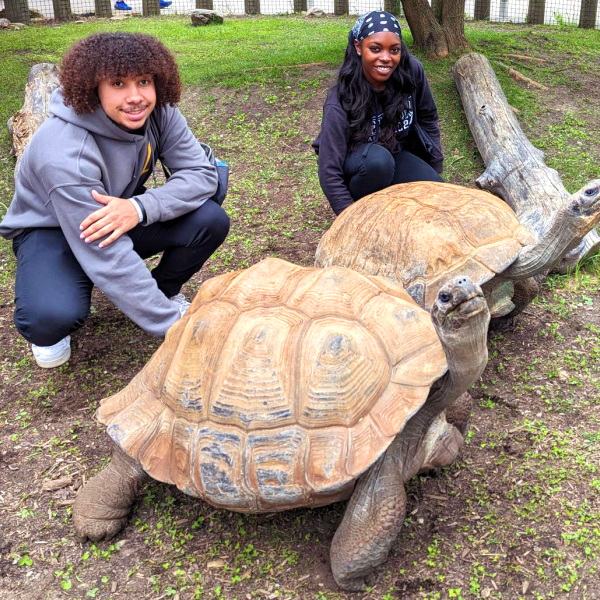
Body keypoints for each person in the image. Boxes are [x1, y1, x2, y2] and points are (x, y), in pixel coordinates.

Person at [0, 32, 229, 368]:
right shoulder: (64, 152)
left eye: (144, 81)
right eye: (118, 83)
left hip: (117, 212)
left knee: (208, 220)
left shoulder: (160, 113)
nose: (135, 97)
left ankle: (161, 290)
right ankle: (54, 303)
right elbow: (105, 251)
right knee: (49, 316)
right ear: (93, 88)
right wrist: (176, 329)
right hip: (51, 231)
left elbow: (201, 173)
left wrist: (139, 207)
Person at [312, 11, 444, 216]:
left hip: (396, 154)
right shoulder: (340, 99)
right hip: (360, 166)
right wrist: (349, 220)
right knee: (378, 162)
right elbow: (329, 171)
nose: (386, 58)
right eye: (375, 49)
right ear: (358, 47)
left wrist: (434, 168)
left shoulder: (411, 72)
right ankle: (367, 209)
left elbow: (428, 117)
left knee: (437, 193)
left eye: (394, 50)